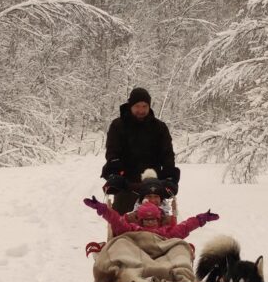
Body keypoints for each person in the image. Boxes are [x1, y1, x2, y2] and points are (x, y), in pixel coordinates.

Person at [101, 87, 180, 214]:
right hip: (127, 183)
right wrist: (115, 173)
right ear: (130, 105)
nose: (141, 110)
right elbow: (112, 152)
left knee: (156, 223)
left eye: (144, 106)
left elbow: (167, 155)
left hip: (153, 185)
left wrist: (169, 177)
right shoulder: (118, 125)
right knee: (122, 223)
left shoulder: (159, 127)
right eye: (137, 106)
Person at [83, 196, 217, 239]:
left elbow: (185, 226)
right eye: (147, 220)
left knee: (178, 248)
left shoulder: (165, 232)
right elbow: (116, 220)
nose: (150, 222)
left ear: (158, 219)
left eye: (153, 219)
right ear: (140, 220)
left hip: (160, 256)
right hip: (136, 256)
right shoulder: (132, 229)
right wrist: (103, 209)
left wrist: (201, 219)